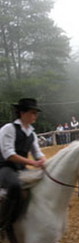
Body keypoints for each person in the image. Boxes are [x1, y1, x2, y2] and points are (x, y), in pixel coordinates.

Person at [0, 98, 47, 231]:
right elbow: (9, 154)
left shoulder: (31, 133)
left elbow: (37, 153)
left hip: (21, 168)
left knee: (41, 183)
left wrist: (44, 161)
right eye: (32, 112)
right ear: (22, 113)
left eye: (36, 113)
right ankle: (3, 225)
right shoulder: (9, 129)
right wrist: (32, 162)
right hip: (5, 167)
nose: (35, 116)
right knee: (15, 185)